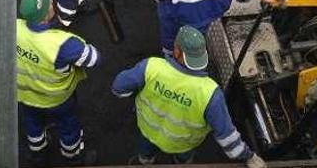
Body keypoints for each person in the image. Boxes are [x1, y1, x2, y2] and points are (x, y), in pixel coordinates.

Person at [112, 26, 266, 167]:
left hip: (148, 131)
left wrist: (137, 94)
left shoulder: (151, 67)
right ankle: (181, 163)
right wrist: (249, 156)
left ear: (178, 52)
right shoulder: (210, 93)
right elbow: (227, 138)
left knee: (145, 151)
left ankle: (145, 162)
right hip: (182, 144)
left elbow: (118, 88)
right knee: (184, 158)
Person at [17, 0, 100, 166]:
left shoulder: (14, 28)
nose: (52, 2)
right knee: (69, 127)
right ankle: (73, 158)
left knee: (33, 126)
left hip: (26, 96)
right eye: (49, 4)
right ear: (45, 17)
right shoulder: (63, 44)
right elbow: (93, 59)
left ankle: (38, 156)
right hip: (58, 99)